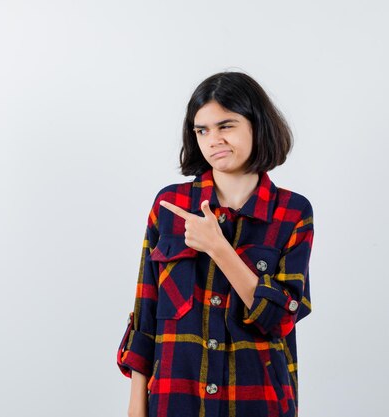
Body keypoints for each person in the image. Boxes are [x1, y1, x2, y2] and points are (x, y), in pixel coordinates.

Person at [116, 71, 315, 417]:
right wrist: (136, 406)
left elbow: (280, 319)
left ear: (257, 125)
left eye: (226, 126)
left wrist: (219, 249)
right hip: (176, 399)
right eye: (202, 130)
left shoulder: (292, 212)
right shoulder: (169, 206)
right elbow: (146, 313)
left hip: (259, 401)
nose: (213, 140)